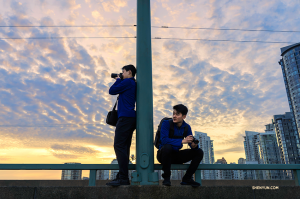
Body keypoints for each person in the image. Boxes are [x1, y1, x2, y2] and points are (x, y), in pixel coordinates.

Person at [157, 104, 204, 187]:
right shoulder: (166, 123)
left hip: (175, 156)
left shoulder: (186, 127)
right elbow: (164, 141)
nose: (174, 116)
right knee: (167, 147)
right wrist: (182, 141)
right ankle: (166, 178)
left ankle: (187, 179)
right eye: (173, 113)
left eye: (177, 114)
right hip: (163, 155)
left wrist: (194, 146)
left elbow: (190, 142)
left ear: (184, 116)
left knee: (199, 152)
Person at [106, 64, 137, 186]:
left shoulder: (128, 82)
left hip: (125, 118)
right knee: (124, 147)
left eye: (123, 72)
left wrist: (118, 79)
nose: (121, 73)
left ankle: (123, 177)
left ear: (129, 72)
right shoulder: (131, 83)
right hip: (129, 118)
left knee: (118, 146)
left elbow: (112, 91)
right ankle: (122, 175)